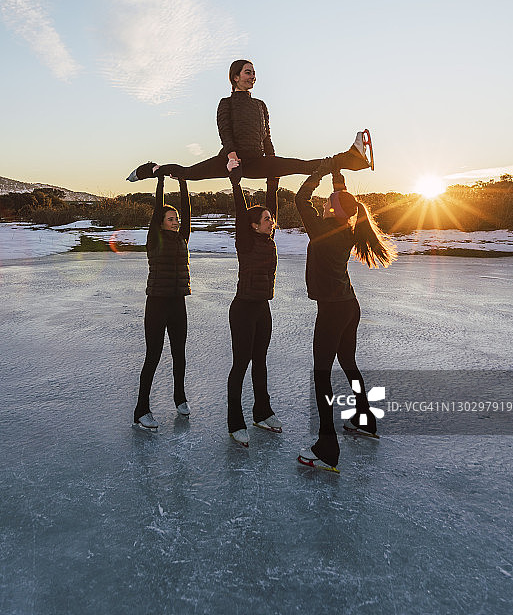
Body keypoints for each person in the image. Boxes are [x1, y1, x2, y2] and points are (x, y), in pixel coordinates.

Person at [295, 167, 397, 472]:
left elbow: (301, 199)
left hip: (333, 310)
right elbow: (343, 200)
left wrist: (317, 173)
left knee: (322, 375)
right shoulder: (345, 227)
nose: (324, 203)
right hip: (349, 306)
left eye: (328, 200)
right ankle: (363, 420)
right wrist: (336, 175)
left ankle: (327, 447)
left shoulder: (323, 230)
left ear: (332, 208)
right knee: (348, 364)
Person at [127, 60, 372, 185]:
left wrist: (273, 167)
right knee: (188, 174)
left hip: (257, 161)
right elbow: (225, 130)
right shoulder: (227, 102)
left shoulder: (261, 105)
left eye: (254, 73)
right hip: (231, 160)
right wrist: (232, 155)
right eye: (247, 72)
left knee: (304, 165)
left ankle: (352, 158)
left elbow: (267, 138)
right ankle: (151, 169)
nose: (252, 76)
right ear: (235, 77)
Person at [226, 162, 283, 446]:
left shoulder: (269, 241)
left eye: (271, 218)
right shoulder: (246, 242)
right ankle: (235, 422)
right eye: (266, 219)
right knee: (241, 364)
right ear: (253, 225)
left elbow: (271, 205)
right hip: (243, 309)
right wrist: (236, 184)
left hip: (263, 308)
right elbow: (240, 213)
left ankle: (262, 412)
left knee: (260, 362)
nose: (271, 221)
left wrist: (273, 180)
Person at [133, 171, 191, 431]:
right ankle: (141, 410)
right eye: (171, 219)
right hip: (157, 303)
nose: (176, 222)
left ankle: (180, 398)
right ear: (161, 222)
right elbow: (158, 208)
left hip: (178, 302)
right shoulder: (153, 239)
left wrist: (183, 181)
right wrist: (161, 182)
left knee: (180, 354)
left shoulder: (182, 239)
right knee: (153, 356)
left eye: (176, 219)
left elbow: (188, 214)